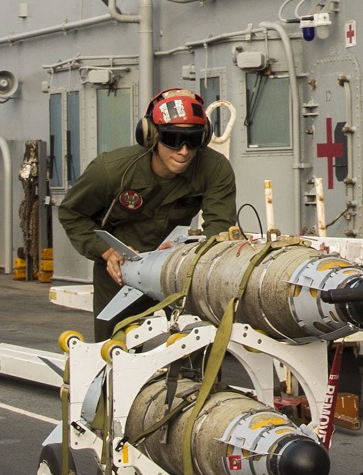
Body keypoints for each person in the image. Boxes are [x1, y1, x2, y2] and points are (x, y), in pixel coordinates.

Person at [56, 88, 237, 339]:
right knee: (114, 348)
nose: (184, 150)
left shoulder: (214, 169)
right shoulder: (111, 171)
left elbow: (218, 229)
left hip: (177, 268)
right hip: (121, 268)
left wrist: (189, 257)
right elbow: (71, 213)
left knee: (197, 341)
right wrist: (106, 250)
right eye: (172, 138)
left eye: (193, 139)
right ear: (151, 136)